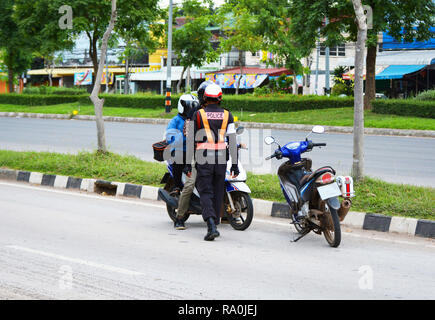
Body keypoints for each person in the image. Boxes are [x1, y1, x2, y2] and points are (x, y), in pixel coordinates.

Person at [185, 83, 239, 241]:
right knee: (217, 191)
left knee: (206, 191)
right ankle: (215, 222)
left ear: (205, 98)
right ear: (220, 98)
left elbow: (190, 140)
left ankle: (211, 226)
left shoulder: (198, 114)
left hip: (204, 158)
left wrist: (188, 164)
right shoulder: (227, 115)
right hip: (222, 158)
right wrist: (234, 164)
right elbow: (233, 140)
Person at [174, 81, 213, 230]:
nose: (212, 99)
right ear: (203, 96)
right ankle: (180, 217)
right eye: (208, 96)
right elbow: (189, 136)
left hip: (215, 154)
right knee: (190, 184)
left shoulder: (218, 112)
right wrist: (187, 164)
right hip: (197, 154)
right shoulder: (193, 113)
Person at [165, 94, 199, 196]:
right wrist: (185, 138)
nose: (191, 109)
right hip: (180, 150)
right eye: (189, 107)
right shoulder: (176, 120)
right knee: (178, 159)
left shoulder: (195, 119)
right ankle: (177, 186)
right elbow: (170, 137)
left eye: (194, 107)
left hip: (194, 150)